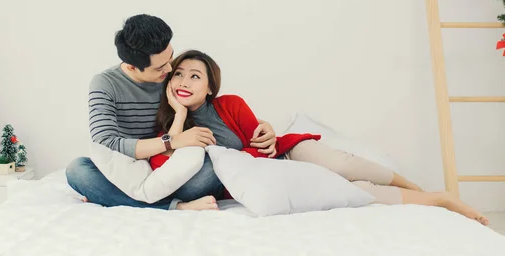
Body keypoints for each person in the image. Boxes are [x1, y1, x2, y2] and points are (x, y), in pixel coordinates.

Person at [149, 50, 489, 226]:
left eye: (196, 76)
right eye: (179, 74)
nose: (186, 81)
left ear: (210, 87)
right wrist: (179, 117)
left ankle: (418, 189)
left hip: (286, 155)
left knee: (343, 163)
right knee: (359, 194)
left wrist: (265, 134)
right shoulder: (165, 126)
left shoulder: (230, 104)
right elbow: (167, 172)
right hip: (272, 177)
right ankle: (441, 199)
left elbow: (262, 142)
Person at [65, 14, 277, 211]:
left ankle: (113, 198)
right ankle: (177, 207)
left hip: (170, 167)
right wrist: (171, 141)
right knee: (78, 170)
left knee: (210, 169)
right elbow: (105, 142)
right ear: (131, 68)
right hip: (127, 169)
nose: (169, 70)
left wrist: (259, 123)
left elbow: (204, 107)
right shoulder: (105, 84)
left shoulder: (167, 73)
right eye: (160, 68)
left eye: (171, 58)